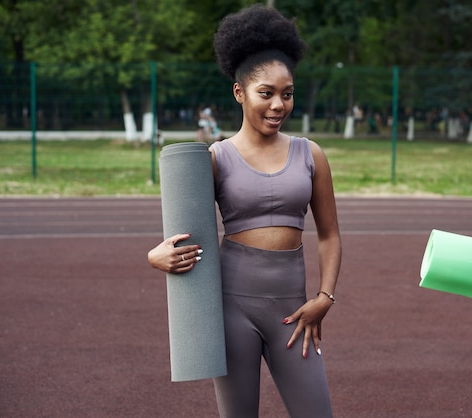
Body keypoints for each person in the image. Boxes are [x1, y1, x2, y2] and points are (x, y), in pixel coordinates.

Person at [147, 5, 341, 418]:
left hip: (294, 311)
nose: (278, 105)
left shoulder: (312, 155)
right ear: (240, 93)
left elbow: (329, 235)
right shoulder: (214, 158)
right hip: (231, 309)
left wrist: (325, 297)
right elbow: (182, 236)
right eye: (265, 93)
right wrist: (155, 256)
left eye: (287, 94)